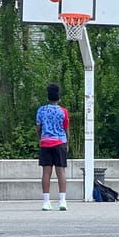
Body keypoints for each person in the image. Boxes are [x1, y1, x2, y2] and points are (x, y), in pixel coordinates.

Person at [36, 82, 69, 211]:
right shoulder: (63, 111)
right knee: (61, 171)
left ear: (48, 97)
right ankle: (62, 201)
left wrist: (41, 138)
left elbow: (38, 128)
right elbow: (66, 128)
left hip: (45, 142)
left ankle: (46, 201)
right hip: (60, 142)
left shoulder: (41, 110)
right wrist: (67, 143)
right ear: (59, 97)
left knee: (46, 172)